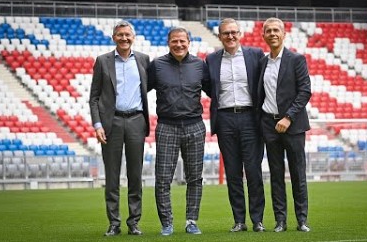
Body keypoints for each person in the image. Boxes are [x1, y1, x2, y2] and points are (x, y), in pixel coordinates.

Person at [89, 20, 150, 237]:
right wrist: (97, 125)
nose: (124, 38)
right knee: (112, 177)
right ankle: (114, 223)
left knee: (135, 176)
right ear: (113, 38)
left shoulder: (143, 59)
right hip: (111, 123)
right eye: (120, 35)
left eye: (127, 35)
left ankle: (134, 222)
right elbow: (94, 97)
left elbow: (148, 87)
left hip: (136, 121)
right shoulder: (103, 61)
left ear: (133, 37)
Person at [147, 26, 210, 236]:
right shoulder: (156, 65)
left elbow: (216, 92)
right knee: (163, 178)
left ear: (189, 42)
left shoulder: (200, 65)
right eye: (175, 41)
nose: (179, 44)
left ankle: (192, 221)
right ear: (169, 42)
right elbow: (140, 90)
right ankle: (167, 223)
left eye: (182, 41)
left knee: (195, 178)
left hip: (195, 125)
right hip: (166, 126)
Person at [205, 18, 266, 232]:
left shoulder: (256, 55)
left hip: (251, 118)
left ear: (240, 34)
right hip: (225, 119)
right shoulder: (211, 59)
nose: (230, 36)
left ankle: (257, 219)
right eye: (225, 33)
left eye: (233, 32)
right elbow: (208, 87)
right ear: (220, 36)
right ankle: (239, 220)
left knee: (253, 171)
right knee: (232, 173)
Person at [258, 17, 312, 233]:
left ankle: (302, 220)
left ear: (284, 34)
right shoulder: (262, 62)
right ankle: (280, 221)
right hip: (269, 126)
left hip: (293, 125)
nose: (272, 33)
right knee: (276, 175)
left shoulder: (297, 59)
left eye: (276, 30)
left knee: (298, 174)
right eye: (268, 30)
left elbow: (305, 91)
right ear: (263, 35)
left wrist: (288, 117)